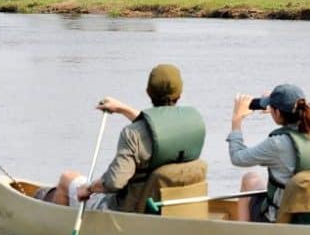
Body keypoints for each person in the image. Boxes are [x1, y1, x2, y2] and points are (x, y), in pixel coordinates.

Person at [37, 64, 206, 211]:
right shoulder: (193, 128)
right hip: (173, 205)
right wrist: (121, 108)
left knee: (67, 179)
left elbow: (114, 182)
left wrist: (88, 189)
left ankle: (56, 228)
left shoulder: (132, 135)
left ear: (148, 92)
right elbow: (153, 130)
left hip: (128, 209)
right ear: (180, 94)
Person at [228, 84, 310, 223]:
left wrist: (236, 120)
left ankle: (245, 233)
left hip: (286, 217)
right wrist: (277, 109)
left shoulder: (278, 144)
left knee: (249, 178)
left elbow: (237, 158)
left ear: (277, 113)